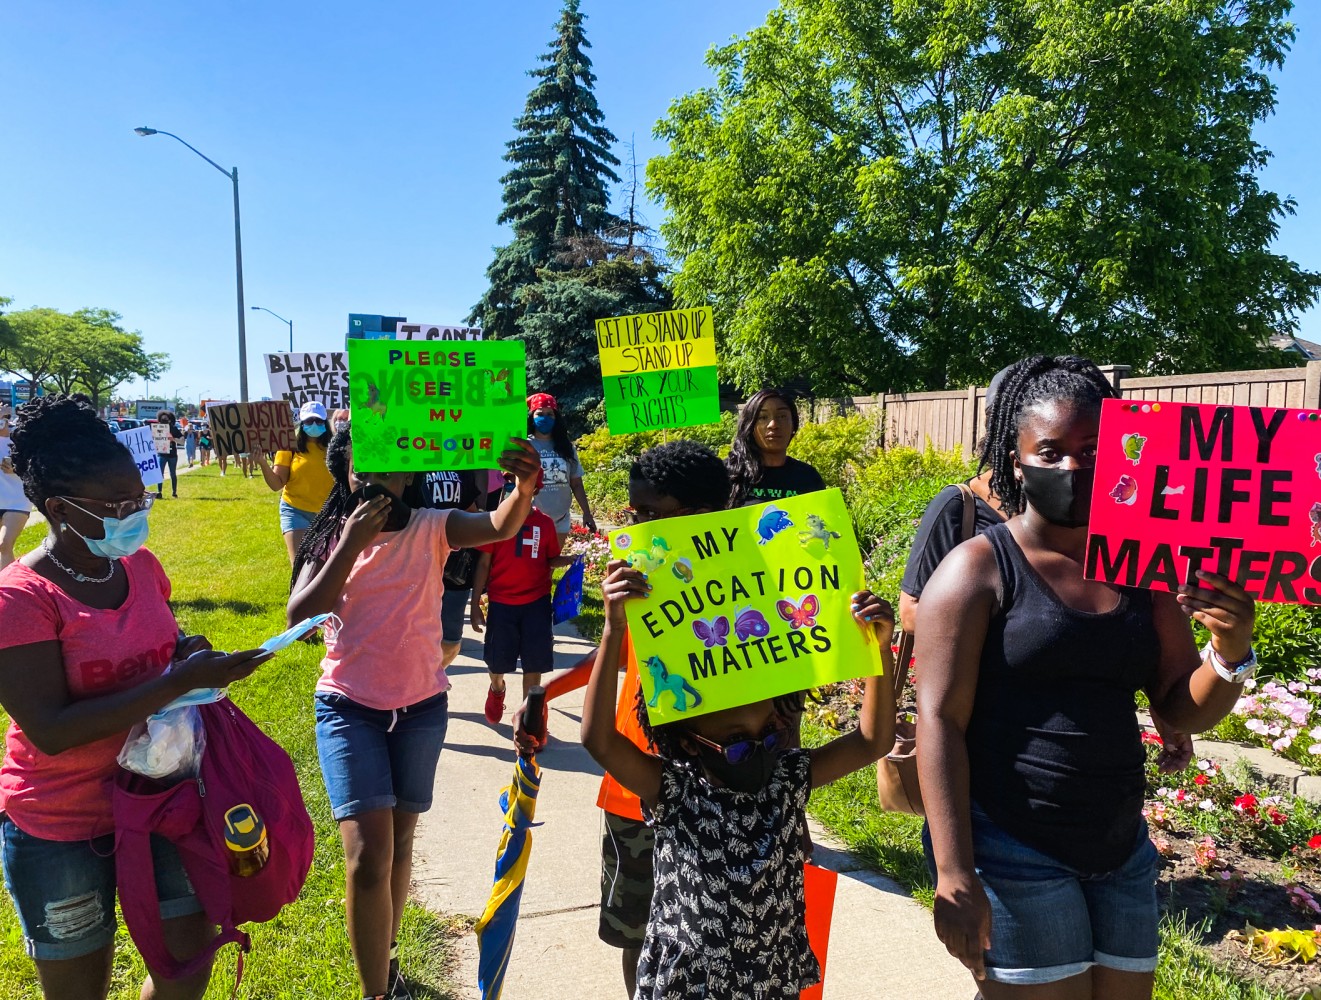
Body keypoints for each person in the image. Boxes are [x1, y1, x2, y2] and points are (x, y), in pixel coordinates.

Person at [916, 355, 1256, 999]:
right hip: (1011, 844)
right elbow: (939, 719)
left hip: (1121, 846)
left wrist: (1230, 645)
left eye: (1094, 449)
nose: (1074, 467)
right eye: (1051, 451)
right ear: (1015, 461)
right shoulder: (977, 570)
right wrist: (955, 871)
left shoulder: (1144, 568)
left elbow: (1180, 709)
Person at [0, 394, 272, 1000]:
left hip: (163, 800)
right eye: (116, 505)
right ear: (57, 510)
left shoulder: (142, 566)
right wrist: (171, 684)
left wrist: (186, 654)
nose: (133, 513)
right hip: (62, 823)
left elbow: (161, 642)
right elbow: (50, 727)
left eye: (138, 498)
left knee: (188, 965)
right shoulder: (19, 599)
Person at [287, 427, 541, 1000]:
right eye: (364, 471)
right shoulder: (332, 537)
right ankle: (376, 992)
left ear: (410, 474)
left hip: (422, 708)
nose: (379, 482)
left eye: (391, 470)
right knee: (367, 858)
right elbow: (298, 616)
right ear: (346, 476)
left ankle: (390, 954)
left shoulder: (433, 526)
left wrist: (522, 487)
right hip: (350, 710)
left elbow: (499, 526)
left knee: (400, 845)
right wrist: (351, 545)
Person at [581, 553, 896, 998]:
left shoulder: (787, 778)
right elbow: (599, 739)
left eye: (770, 736)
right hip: (688, 987)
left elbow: (870, 743)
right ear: (690, 742)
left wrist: (879, 649)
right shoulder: (674, 789)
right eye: (738, 744)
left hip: (770, 980)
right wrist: (615, 628)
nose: (760, 752)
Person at [470, 471, 576, 724]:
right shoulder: (495, 521)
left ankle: (530, 717)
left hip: (536, 603)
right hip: (502, 604)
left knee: (534, 664)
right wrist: (475, 604)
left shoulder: (545, 524)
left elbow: (549, 558)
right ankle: (497, 690)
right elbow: (484, 564)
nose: (512, 493)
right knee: (497, 665)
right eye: (509, 487)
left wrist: (569, 561)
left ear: (535, 492)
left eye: (520, 487)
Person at [417, 467, 486, 671]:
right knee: (415, 632)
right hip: (420, 562)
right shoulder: (409, 463)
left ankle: (434, 676)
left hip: (456, 565)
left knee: (451, 639)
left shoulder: (461, 465)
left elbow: (471, 510)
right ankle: (419, 684)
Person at [255, 402, 335, 565]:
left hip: (327, 515)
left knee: (323, 567)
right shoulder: (288, 446)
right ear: (302, 423)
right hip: (295, 511)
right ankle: (298, 591)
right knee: (300, 565)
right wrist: (262, 463)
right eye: (309, 421)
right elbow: (277, 484)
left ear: (325, 422)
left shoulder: (334, 447)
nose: (314, 425)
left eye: (318, 421)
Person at [727, 387, 826, 507]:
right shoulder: (728, 474)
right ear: (749, 426)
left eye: (782, 416)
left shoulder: (808, 477)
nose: (773, 425)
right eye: (763, 417)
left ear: (793, 425)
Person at [527, 392, 596, 543]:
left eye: (549, 414)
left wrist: (587, 513)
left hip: (561, 519)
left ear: (556, 417)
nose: (545, 418)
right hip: (531, 517)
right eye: (540, 414)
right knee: (534, 564)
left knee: (552, 562)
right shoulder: (526, 446)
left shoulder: (566, 447)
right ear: (532, 417)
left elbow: (576, 483)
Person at [0, 403, 32, 569]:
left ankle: (6, 589)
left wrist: (16, 467)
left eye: (4, 418)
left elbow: (36, 465)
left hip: (17, 501)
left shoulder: (19, 438)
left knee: (4, 544)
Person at [154, 411, 183, 499]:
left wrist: (173, 439)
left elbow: (182, 440)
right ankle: (159, 492)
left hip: (172, 455)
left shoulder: (174, 429)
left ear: (170, 420)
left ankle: (174, 492)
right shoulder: (157, 428)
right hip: (162, 454)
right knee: (160, 474)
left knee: (172, 473)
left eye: (166, 420)